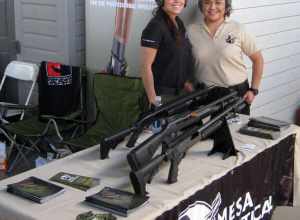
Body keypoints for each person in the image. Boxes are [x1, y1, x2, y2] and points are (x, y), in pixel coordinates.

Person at [188, 0, 264, 115]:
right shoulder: (191, 31)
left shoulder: (238, 29)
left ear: (226, 6)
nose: (212, 7)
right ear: (201, 5)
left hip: (236, 95)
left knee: (234, 132)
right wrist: (186, 83)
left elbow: (258, 59)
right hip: (204, 97)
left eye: (218, 2)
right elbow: (182, 61)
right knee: (206, 133)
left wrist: (253, 90)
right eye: (207, 3)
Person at [140, 0, 194, 106]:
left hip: (179, 96)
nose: (177, 1)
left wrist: (186, 83)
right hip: (162, 97)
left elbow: (178, 58)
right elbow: (145, 67)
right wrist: (153, 100)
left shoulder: (179, 23)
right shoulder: (156, 26)